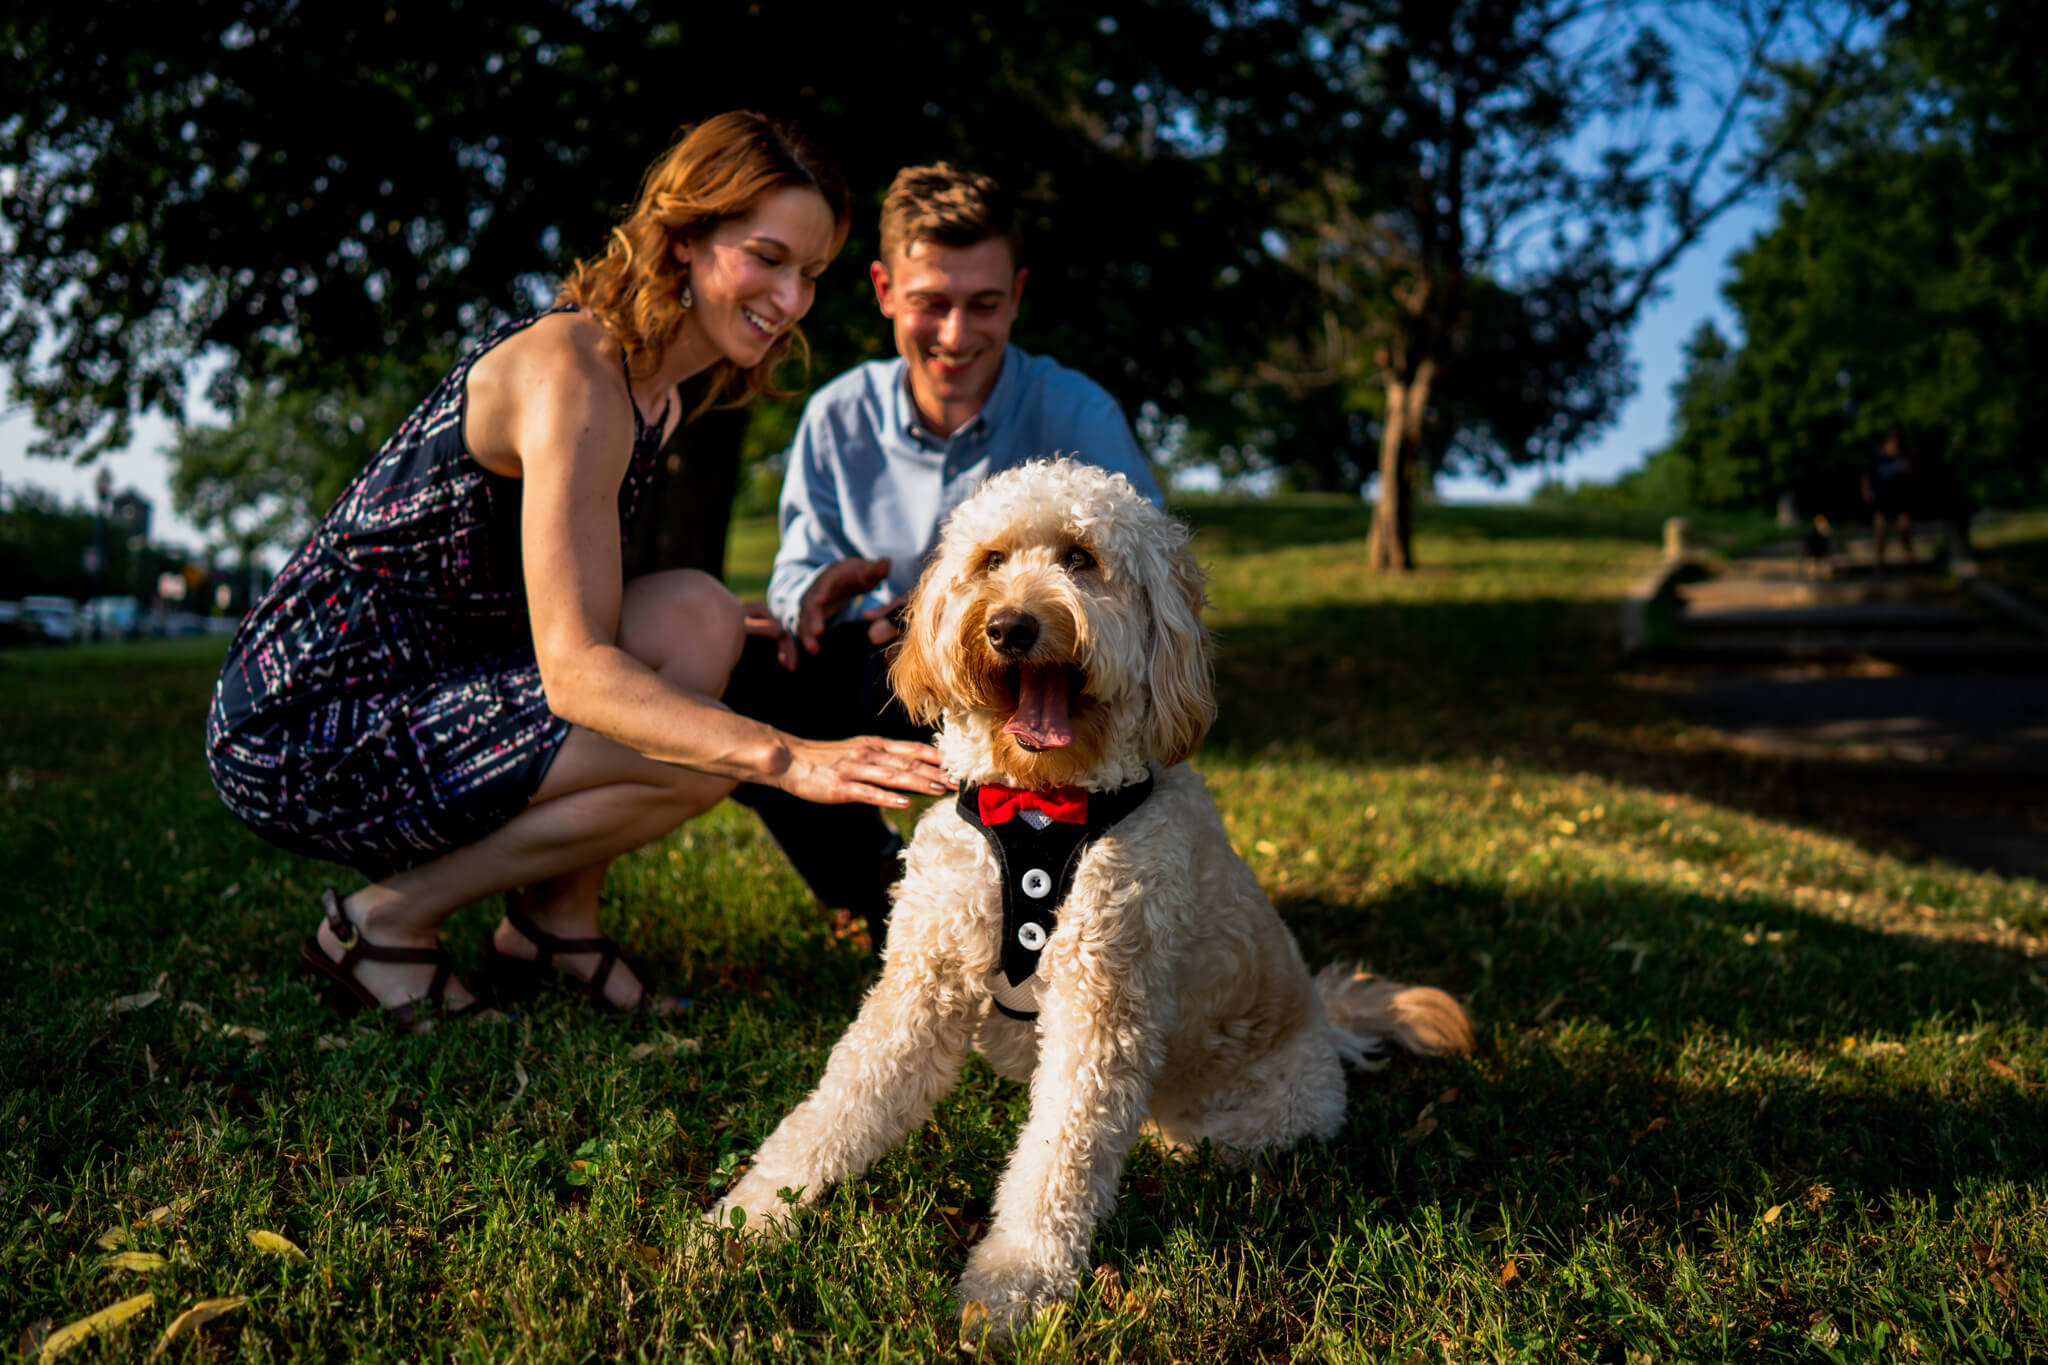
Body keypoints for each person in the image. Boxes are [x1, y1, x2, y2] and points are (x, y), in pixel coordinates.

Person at [205, 113, 949, 1027]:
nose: (791, 299)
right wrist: (787, 755)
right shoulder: (573, 373)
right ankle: (384, 925)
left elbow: (571, 601)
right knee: (703, 750)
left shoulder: (659, 395)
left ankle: (555, 921)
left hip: (428, 683)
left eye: (812, 274)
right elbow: (578, 673)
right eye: (767, 257)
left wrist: (755, 624)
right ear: (684, 238)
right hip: (304, 725)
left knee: (702, 617)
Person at [721, 162, 1162, 945]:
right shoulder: (836, 417)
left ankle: (1077, 900)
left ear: (1017, 296)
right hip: (878, 666)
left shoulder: (1079, 410)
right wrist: (812, 591)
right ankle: (873, 889)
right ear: (886, 291)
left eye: (983, 305)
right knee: (743, 679)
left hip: (1043, 680)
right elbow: (795, 565)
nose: (956, 335)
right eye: (931, 304)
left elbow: (1149, 582)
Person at [1862, 427, 1917, 570]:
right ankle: (1879, 562)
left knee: (1904, 528)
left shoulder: (1903, 457)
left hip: (1900, 499)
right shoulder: (1878, 458)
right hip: (1882, 500)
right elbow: (1866, 477)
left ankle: (1909, 558)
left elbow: (1911, 474)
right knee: (1881, 531)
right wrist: (1868, 494)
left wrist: (1911, 457)